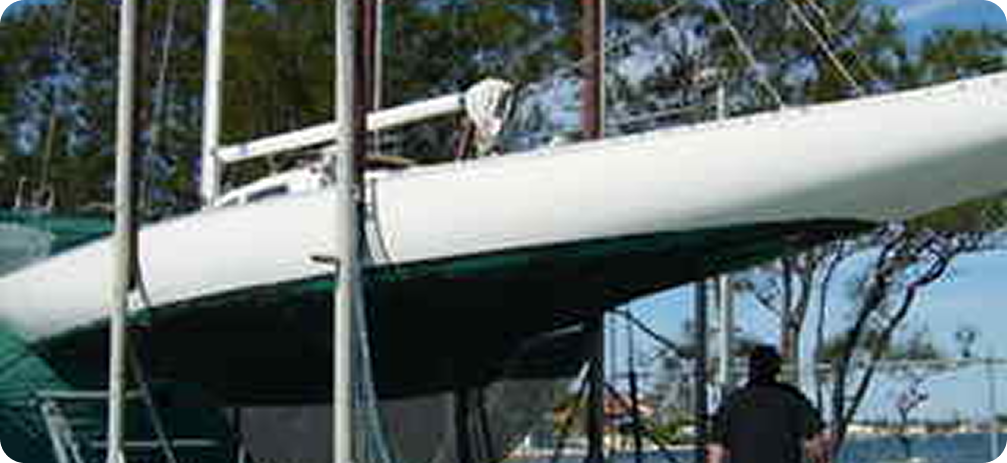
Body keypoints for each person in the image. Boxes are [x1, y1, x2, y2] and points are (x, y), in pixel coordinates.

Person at [708, 344, 832, 463]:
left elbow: (716, 452)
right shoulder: (792, 398)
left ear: (750, 369)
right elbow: (817, 443)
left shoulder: (731, 403)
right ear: (777, 369)